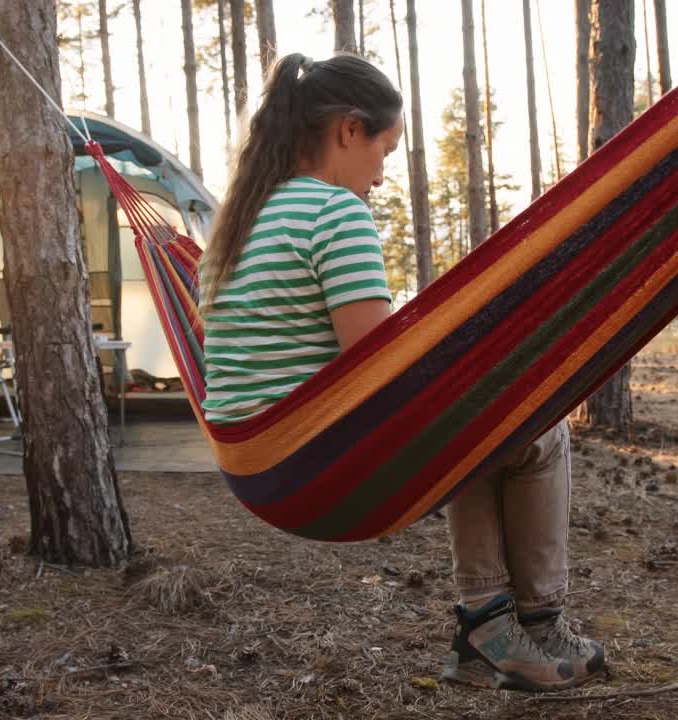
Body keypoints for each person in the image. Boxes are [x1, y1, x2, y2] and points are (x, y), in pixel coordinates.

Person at [198, 52, 605, 693]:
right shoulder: (336, 214)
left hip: (256, 462)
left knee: (480, 435)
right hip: (319, 461)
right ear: (348, 131)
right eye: (385, 150)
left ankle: (489, 634)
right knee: (534, 430)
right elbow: (376, 367)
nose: (383, 176)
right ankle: (531, 621)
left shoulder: (235, 224)